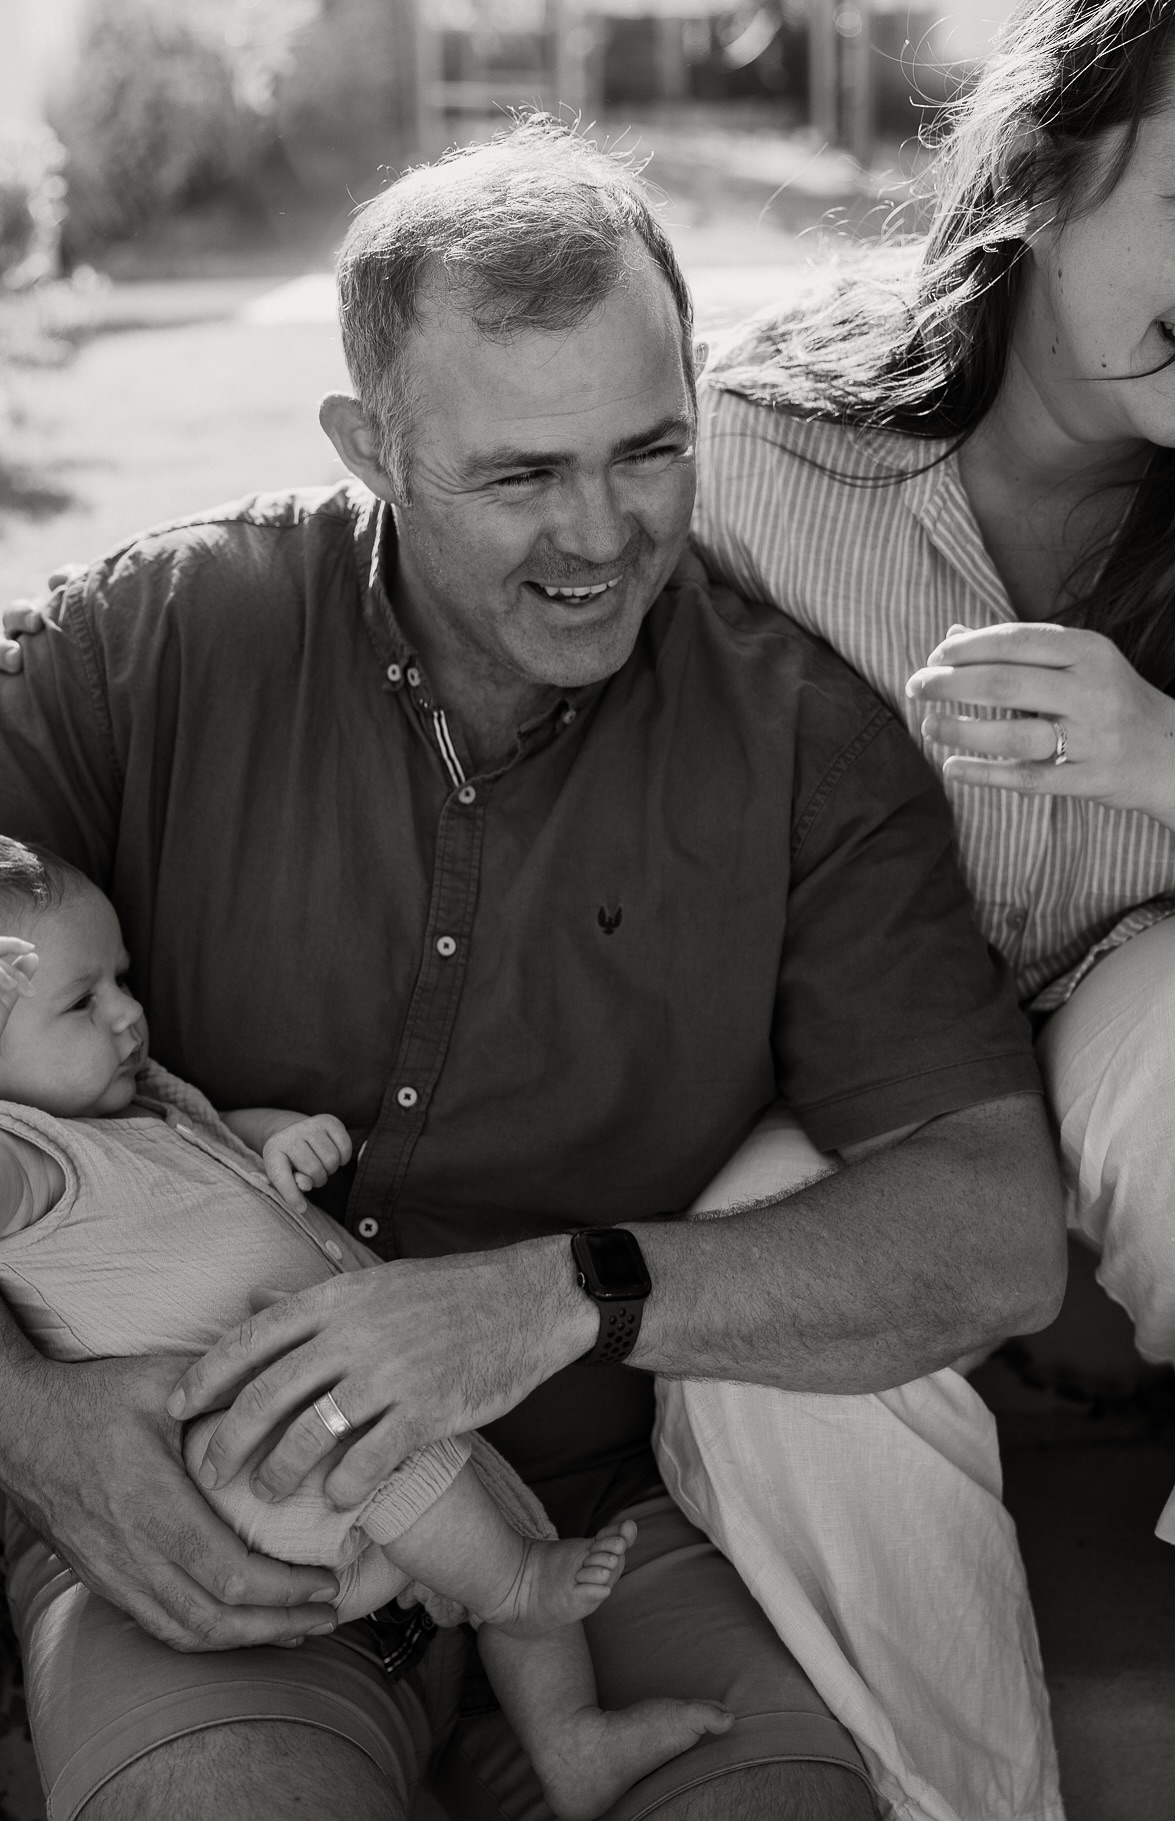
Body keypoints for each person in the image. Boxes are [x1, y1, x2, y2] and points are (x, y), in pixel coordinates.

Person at [0, 121, 1065, 1821]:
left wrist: (564, 1293)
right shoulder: (154, 643)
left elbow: (995, 1231)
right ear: (372, 446)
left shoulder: (799, 742)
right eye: (520, 476)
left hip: (583, 1548)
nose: (603, 534)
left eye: (649, 451)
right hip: (197, 1545)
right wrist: (29, 1427)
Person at [690, 0, 1175, 1780]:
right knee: (740, 1309)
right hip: (863, 1079)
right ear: (1053, 167)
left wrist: (1165, 749)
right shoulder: (759, 442)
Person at [0, 838, 734, 1821]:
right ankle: (508, 1586)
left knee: (501, 1506)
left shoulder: (137, 1098)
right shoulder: (24, 1154)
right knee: (410, 1470)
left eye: (121, 979)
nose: (128, 1014)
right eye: (81, 1002)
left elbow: (216, 1142)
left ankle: (568, 1741)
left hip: (367, 1405)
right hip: (251, 1466)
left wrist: (273, 1138)